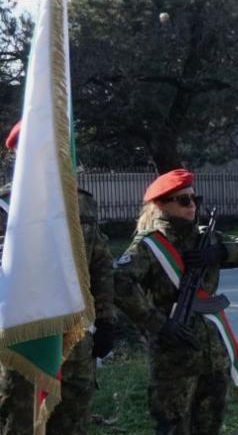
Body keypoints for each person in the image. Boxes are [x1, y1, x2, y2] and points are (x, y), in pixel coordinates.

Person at [113, 169, 238, 435]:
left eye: (194, 199)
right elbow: (119, 284)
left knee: (210, 425)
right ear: (161, 205)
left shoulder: (206, 238)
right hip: (175, 357)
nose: (192, 205)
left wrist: (221, 252)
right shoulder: (150, 246)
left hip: (213, 355)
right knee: (174, 427)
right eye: (183, 200)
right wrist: (158, 324)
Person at [0, 122, 116, 435]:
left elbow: (100, 264)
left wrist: (106, 321)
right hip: (22, 345)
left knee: (72, 422)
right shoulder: (5, 209)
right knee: (21, 425)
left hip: (75, 343)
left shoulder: (82, 205)